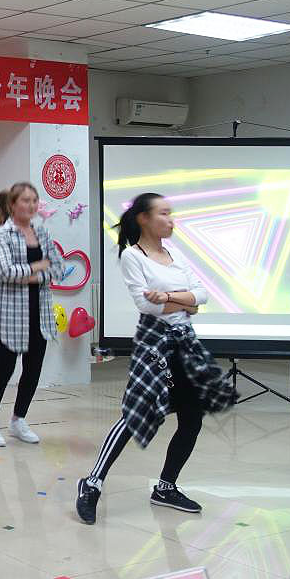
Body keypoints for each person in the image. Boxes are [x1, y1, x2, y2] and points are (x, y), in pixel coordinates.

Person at [75, 193, 235, 525]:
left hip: (185, 343)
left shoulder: (176, 256)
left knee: (191, 419)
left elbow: (202, 296)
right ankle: (91, 483)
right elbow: (148, 306)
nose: (170, 219)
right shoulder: (133, 256)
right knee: (134, 416)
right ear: (144, 219)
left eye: (170, 213)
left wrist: (169, 297)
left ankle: (165, 487)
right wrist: (183, 301)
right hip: (156, 343)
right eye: (163, 213)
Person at [0, 182, 66, 448]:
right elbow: (6, 272)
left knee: (33, 369)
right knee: (5, 368)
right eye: (25, 201)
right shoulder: (2, 234)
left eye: (34, 200)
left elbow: (59, 268)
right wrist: (39, 266)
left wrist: (32, 274)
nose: (31, 205)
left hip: (39, 313)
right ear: (12, 205)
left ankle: (18, 420)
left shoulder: (42, 232)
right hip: (10, 315)